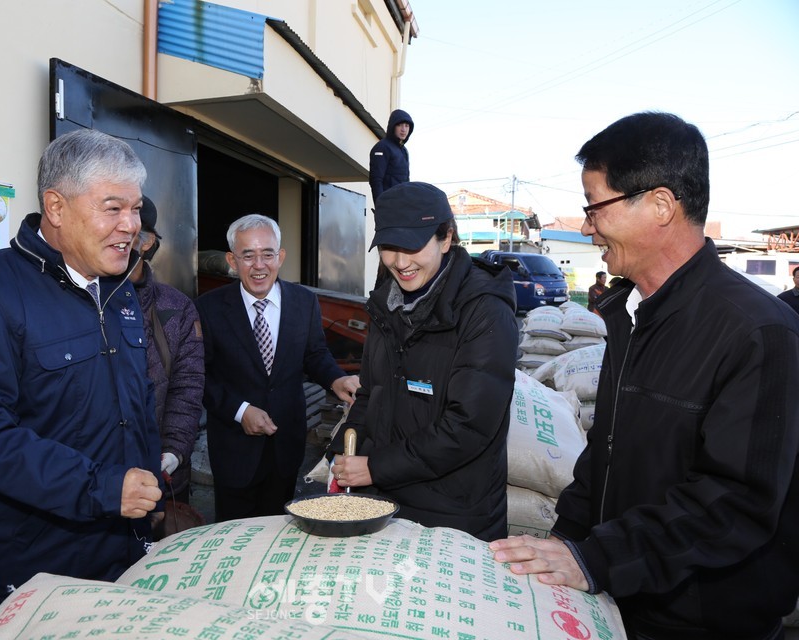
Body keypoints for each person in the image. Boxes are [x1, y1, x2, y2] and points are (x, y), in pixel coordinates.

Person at [490, 112, 799, 639]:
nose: (587, 227)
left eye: (595, 207)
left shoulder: (757, 333)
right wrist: (566, 545)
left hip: (701, 618)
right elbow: (605, 453)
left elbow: (733, 503)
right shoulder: (629, 317)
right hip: (622, 596)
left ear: (660, 205)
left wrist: (597, 559)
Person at [0, 129, 164, 615]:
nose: (130, 226)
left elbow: (134, 406)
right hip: (38, 564)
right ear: (55, 208)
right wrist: (99, 487)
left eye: (136, 209)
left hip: (125, 545)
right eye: (113, 207)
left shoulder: (118, 295)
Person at [331, 181, 518, 540]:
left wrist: (375, 468)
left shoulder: (484, 310)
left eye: (412, 246)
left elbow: (468, 426)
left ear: (446, 238)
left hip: (452, 511)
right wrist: (339, 455)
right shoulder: (387, 304)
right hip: (383, 499)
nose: (400, 263)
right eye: (388, 248)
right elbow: (371, 393)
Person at [195, 214, 359, 521]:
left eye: (267, 254)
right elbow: (199, 376)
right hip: (233, 450)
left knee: (278, 533)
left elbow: (315, 354)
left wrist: (336, 380)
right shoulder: (208, 308)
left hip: (286, 444)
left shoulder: (304, 302)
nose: (259, 265)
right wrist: (241, 411)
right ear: (232, 260)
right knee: (235, 537)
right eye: (248, 255)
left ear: (280, 256)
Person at [130, 195, 204, 531]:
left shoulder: (175, 307)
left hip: (167, 475)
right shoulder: (83, 301)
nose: (128, 245)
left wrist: (174, 450)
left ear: (149, 244)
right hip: (102, 482)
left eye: (138, 237)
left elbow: (187, 386)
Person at [369, 109, 414, 205]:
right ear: (393, 126)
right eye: (400, 125)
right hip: (389, 205)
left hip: (402, 204)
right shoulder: (382, 147)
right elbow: (376, 180)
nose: (404, 129)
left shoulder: (404, 151)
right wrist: (381, 206)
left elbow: (405, 181)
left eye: (407, 126)